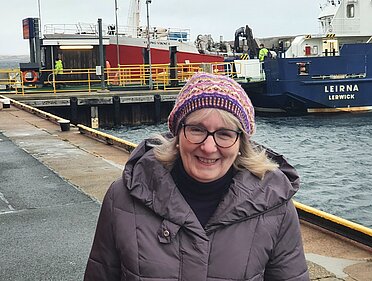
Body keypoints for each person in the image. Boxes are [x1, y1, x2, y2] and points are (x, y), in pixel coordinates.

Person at [84, 72, 310, 281]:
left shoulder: (275, 208)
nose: (209, 147)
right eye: (197, 130)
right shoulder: (121, 198)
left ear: (241, 142)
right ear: (177, 134)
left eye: (224, 134)